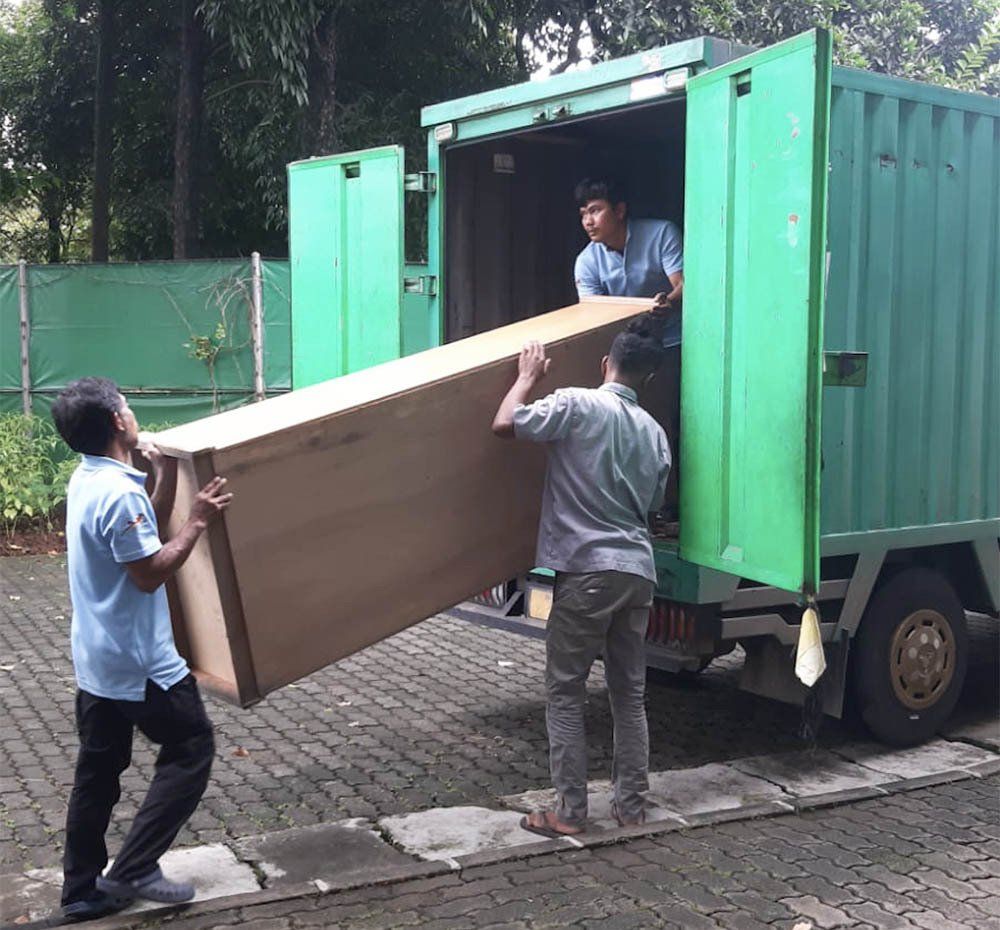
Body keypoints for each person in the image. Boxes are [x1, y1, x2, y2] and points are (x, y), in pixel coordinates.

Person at [51, 377, 233, 922]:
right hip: (140, 663)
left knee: (97, 775)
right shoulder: (118, 493)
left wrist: (167, 471)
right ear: (116, 423)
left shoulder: (89, 479)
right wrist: (199, 519)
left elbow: (139, 536)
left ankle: (81, 890)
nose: (133, 415)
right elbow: (150, 572)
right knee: (192, 747)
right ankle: (135, 868)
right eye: (127, 409)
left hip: (97, 658)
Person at [492, 316, 671, 836]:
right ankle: (631, 806)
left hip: (587, 571)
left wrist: (526, 377)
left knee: (566, 690)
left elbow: (505, 424)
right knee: (628, 694)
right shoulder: (655, 434)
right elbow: (654, 504)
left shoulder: (577, 403)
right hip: (637, 572)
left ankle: (569, 813)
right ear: (649, 378)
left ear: (604, 365)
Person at [573, 177, 683, 521]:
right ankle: (650, 507)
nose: (588, 221)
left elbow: (683, 285)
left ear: (619, 211)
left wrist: (668, 303)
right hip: (630, 352)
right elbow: (594, 314)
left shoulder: (662, 233)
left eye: (596, 210)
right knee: (643, 426)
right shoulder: (586, 261)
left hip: (676, 342)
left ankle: (674, 507)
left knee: (679, 425)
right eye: (583, 214)